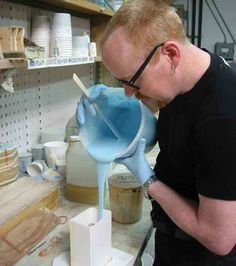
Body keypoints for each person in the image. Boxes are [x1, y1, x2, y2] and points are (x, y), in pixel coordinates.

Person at [76, 0, 236, 265]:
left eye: (132, 81)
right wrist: (108, 106)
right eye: (121, 83)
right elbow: (182, 140)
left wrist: (147, 179)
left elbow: (219, 239)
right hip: (172, 240)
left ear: (171, 54)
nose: (128, 92)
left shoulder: (222, 119)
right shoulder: (187, 77)